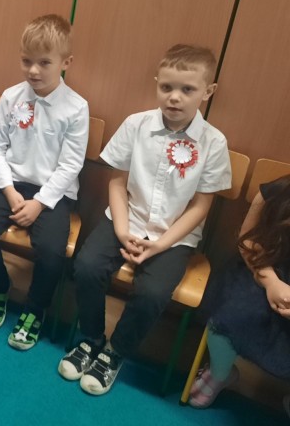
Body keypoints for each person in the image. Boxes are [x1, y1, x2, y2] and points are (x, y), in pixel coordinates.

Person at [59, 44, 232, 395]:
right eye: (166, 87)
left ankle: (115, 351)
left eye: (187, 89)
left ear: (208, 92)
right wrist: (122, 231)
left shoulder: (213, 142)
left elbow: (201, 206)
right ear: (156, 83)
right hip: (126, 220)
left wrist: (160, 245)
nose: (174, 97)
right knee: (87, 267)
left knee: (153, 292)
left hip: (173, 236)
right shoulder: (136, 124)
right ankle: (91, 338)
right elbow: (117, 182)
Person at [0, 15, 89, 350]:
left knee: (51, 252)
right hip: (10, 184)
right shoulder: (11, 96)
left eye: (44, 62)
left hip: (52, 193)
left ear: (66, 63)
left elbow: (70, 165)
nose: (33, 70)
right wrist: (8, 190)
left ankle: (35, 309)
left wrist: (40, 203)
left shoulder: (77, 108)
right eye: (26, 61)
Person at [189, 175, 290, 411]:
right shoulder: (275, 192)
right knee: (230, 314)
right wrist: (271, 282)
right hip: (263, 266)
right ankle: (220, 373)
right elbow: (248, 241)